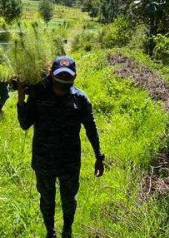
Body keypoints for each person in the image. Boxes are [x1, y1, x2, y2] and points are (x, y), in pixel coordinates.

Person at [17, 56, 105, 238]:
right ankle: (50, 231)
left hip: (69, 162)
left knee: (69, 199)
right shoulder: (38, 95)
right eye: (60, 76)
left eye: (67, 76)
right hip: (43, 161)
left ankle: (67, 230)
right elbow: (25, 124)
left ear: (74, 76)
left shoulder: (80, 99)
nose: (63, 80)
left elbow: (91, 128)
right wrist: (20, 99)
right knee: (47, 199)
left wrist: (99, 156)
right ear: (51, 74)